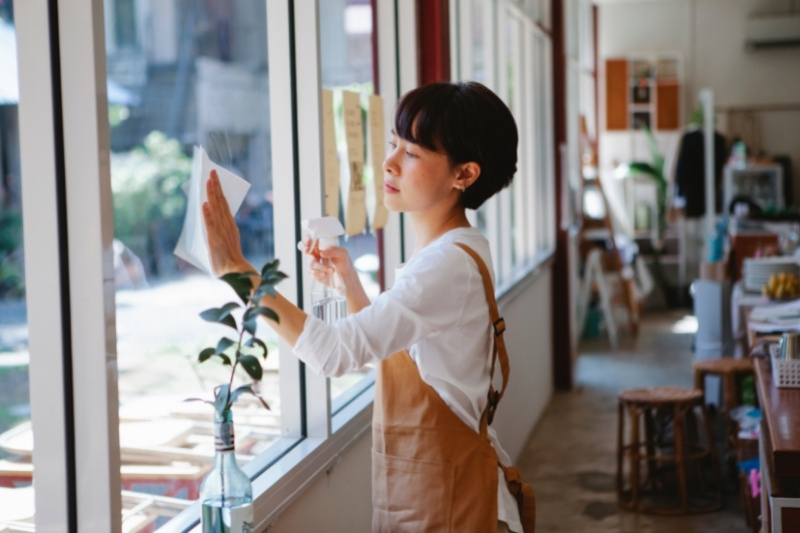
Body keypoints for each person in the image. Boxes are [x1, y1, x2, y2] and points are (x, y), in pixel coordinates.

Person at [203, 81, 524, 532]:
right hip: (444, 491)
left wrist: (238, 270)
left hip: (450, 504)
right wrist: (349, 282)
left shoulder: (446, 264)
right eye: (394, 144)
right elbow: (406, 359)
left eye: (412, 153)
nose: (389, 163)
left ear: (464, 175)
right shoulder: (459, 248)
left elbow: (333, 354)